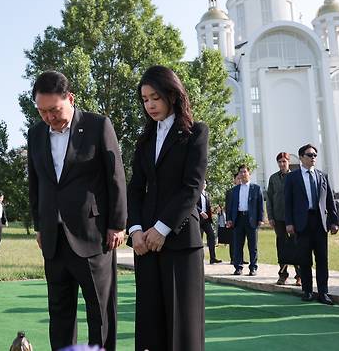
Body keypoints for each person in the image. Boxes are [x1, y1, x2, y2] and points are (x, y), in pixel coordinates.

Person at [27, 70, 127, 351]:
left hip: (93, 235)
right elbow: (35, 182)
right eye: (42, 111)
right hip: (53, 237)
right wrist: (39, 225)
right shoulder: (35, 133)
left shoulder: (97, 125)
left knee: (100, 312)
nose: (49, 117)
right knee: (59, 312)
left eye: (54, 110)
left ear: (69, 98)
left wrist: (117, 224)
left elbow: (115, 176)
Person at [127, 65, 208, 351]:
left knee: (182, 328)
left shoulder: (196, 132)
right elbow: (135, 188)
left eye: (155, 97)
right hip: (145, 244)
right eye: (145, 99)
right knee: (150, 325)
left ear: (172, 95)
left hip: (180, 242)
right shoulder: (144, 139)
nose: (149, 105)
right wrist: (135, 230)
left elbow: (192, 187)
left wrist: (162, 228)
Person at [284, 144, 339, 305]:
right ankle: (307, 291)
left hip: (320, 222)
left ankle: (323, 292)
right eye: (309, 155)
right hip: (302, 223)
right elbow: (288, 202)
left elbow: (330, 200)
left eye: (315, 155)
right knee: (304, 259)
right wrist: (289, 223)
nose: (313, 157)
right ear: (301, 157)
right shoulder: (292, 178)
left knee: (322, 259)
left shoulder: (322, 176)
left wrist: (334, 221)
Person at [267, 152, 300, 286]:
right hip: (278, 218)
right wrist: (270, 217)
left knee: (296, 246)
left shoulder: (295, 177)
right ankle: (283, 275)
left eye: (284, 161)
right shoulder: (273, 178)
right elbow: (269, 198)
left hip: (293, 218)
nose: (282, 164)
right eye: (279, 162)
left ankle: (300, 275)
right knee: (281, 246)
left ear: (288, 162)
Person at [226, 165, 264, 276]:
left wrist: (260, 219)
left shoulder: (255, 188)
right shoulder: (235, 190)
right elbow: (230, 206)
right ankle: (238, 267)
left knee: (253, 245)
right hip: (238, 218)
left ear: (249, 173)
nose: (242, 174)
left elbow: (260, 205)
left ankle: (253, 267)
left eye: (244, 172)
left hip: (251, 219)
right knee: (238, 244)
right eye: (240, 172)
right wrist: (229, 219)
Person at [198, 180, 221, 264]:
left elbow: (208, 207)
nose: (203, 184)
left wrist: (214, 210)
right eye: (202, 183)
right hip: (198, 219)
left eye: (205, 183)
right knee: (199, 239)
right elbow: (194, 205)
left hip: (206, 220)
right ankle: (199, 259)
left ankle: (212, 258)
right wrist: (201, 212)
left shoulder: (207, 194)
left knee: (211, 236)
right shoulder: (196, 193)